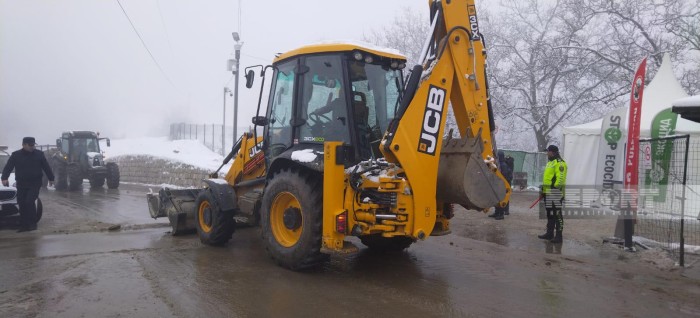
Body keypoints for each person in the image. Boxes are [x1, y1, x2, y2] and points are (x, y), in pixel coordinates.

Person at [1, 137, 55, 232]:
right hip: (21, 183)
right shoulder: (16, 155)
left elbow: (46, 167)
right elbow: (8, 167)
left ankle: (32, 223)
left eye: (33, 145)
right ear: (24, 145)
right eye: (30, 145)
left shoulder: (39, 155)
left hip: (35, 183)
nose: (32, 147)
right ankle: (24, 225)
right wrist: (4, 177)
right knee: (22, 203)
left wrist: (51, 178)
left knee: (29, 201)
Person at [538, 145, 567, 243]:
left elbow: (560, 178)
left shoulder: (560, 163)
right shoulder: (550, 163)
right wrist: (544, 189)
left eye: (548, 152)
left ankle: (559, 236)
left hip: (556, 193)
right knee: (550, 214)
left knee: (557, 215)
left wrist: (554, 190)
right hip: (548, 193)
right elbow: (548, 178)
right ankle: (549, 234)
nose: (547, 153)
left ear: (552, 152)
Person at [489, 150, 513, 220]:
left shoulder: (503, 165)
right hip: (499, 184)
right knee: (497, 198)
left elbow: (503, 176)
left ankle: (501, 214)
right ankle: (497, 212)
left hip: (502, 184)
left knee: (501, 198)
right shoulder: (499, 164)